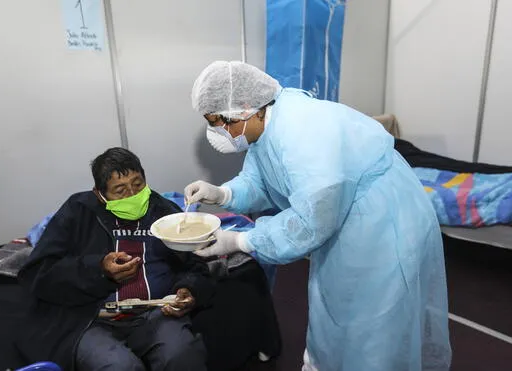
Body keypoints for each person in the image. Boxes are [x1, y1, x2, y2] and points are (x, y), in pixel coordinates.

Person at [185, 61, 452, 371]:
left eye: (219, 121)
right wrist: (224, 195)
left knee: (376, 324)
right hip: (346, 219)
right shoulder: (268, 121)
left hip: (384, 223)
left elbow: (310, 220)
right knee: (338, 308)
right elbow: (262, 178)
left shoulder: (303, 130)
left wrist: (241, 240)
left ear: (246, 107)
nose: (217, 131)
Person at [17, 148, 212, 371]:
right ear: (99, 194)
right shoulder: (78, 212)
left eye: (138, 184)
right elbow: (39, 273)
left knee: (181, 354)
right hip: (91, 319)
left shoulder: (164, 211)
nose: (132, 195)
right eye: (120, 190)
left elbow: (195, 265)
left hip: (156, 314)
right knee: (119, 366)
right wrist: (99, 270)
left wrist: (189, 290)